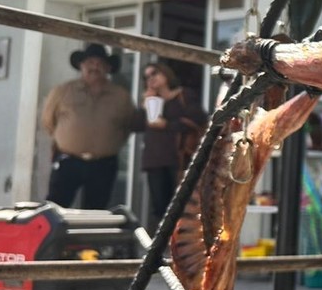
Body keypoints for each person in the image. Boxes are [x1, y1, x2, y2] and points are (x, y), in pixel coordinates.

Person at [42, 43, 146, 210]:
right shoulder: (63, 91)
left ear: (108, 68)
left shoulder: (121, 96)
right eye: (90, 62)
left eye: (100, 63)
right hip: (68, 161)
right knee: (54, 209)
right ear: (81, 65)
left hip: (103, 165)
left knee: (95, 211)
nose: (94, 67)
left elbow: (130, 124)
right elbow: (49, 121)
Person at [141, 62, 208, 225]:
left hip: (179, 159)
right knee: (159, 208)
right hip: (155, 160)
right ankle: (161, 248)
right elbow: (136, 125)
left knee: (180, 207)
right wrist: (144, 105)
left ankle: (178, 247)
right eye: (146, 77)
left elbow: (198, 120)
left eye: (154, 73)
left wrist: (168, 125)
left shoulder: (183, 95)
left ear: (165, 73)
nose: (151, 78)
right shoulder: (151, 100)